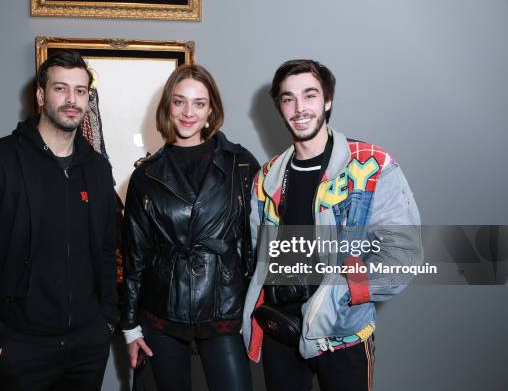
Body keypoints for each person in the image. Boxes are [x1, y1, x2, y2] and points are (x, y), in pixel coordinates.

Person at [242, 59, 423, 391]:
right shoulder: (266, 177)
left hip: (343, 335)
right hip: (280, 331)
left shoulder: (371, 164)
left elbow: (403, 254)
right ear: (280, 108)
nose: (299, 108)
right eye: (288, 98)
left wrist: (340, 292)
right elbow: (257, 255)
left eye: (310, 95)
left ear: (327, 101)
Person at [0, 50, 118, 391]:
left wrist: (106, 323)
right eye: (61, 88)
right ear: (41, 95)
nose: (72, 99)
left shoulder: (97, 169)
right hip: (18, 349)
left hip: (87, 347)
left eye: (81, 91)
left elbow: (105, 250)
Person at [121, 64, 260, 391]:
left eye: (199, 103)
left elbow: (257, 240)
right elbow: (134, 255)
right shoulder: (145, 176)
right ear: (168, 105)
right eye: (180, 101)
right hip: (161, 311)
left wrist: (259, 307)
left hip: (225, 307)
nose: (188, 112)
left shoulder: (240, 163)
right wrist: (130, 327)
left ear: (211, 109)